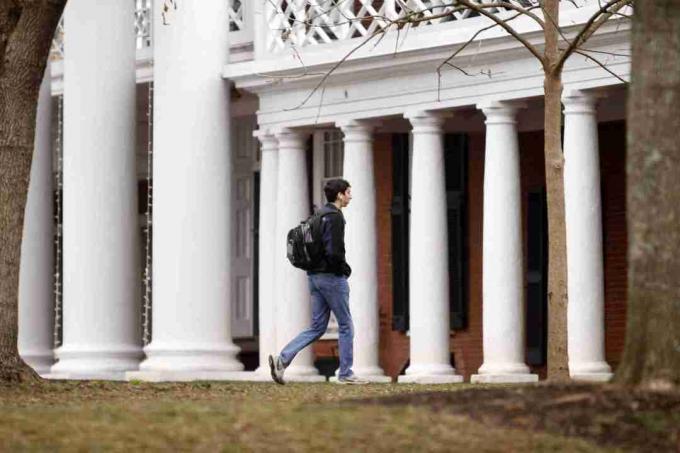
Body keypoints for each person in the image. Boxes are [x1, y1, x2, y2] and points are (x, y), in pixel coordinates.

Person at [269, 178, 367, 385]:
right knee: (346, 325)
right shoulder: (335, 216)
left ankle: (282, 359)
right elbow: (334, 251)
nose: (350, 196)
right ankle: (346, 374)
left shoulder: (317, 215)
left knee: (317, 327)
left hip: (313, 277)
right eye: (348, 192)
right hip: (331, 278)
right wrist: (344, 269)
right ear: (339, 195)